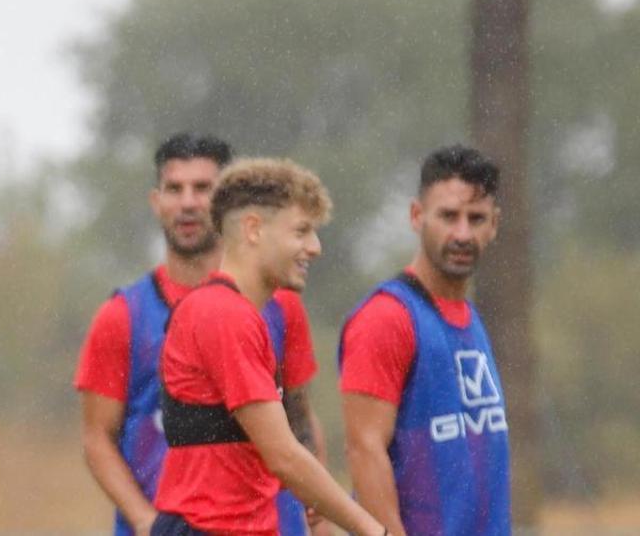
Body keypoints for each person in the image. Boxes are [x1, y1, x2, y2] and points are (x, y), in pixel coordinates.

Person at [74, 134, 328, 535]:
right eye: (175, 189)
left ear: (230, 204)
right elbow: (96, 438)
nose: (188, 202)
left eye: (203, 188)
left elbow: (299, 418)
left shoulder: (282, 307)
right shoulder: (123, 314)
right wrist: (144, 519)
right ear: (156, 202)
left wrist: (319, 516)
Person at [152, 158, 386, 536]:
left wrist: (318, 503)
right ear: (253, 229)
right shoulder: (223, 314)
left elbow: (274, 446)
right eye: (302, 231)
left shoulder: (244, 314)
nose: (315, 247)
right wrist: (373, 530)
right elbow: (283, 456)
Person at [339, 145, 509, 535]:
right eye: (449, 216)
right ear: (417, 216)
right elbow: (364, 451)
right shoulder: (386, 317)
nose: (463, 233)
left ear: (494, 224)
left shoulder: (471, 318)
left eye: (476, 218)